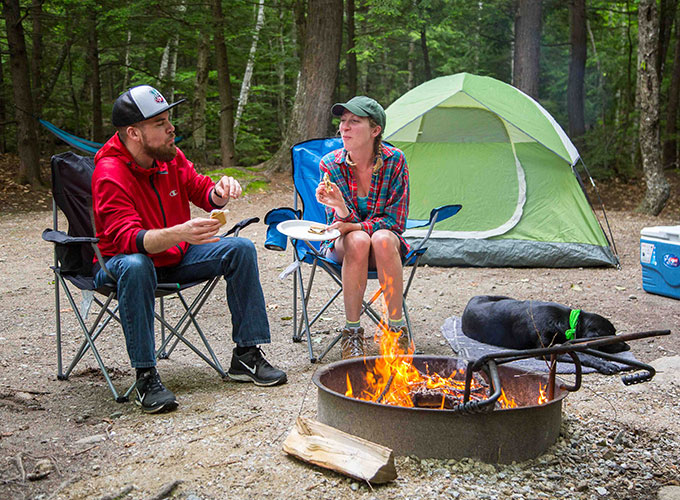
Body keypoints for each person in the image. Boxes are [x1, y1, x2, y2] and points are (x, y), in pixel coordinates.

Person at [92, 85, 287, 414]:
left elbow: (202, 192)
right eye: (160, 123)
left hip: (174, 257)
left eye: (169, 119)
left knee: (239, 248)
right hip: (122, 265)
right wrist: (180, 232)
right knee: (138, 265)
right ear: (133, 133)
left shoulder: (168, 157)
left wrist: (221, 190)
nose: (172, 129)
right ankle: (145, 375)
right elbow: (129, 240)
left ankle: (246, 356)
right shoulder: (109, 174)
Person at [315, 96, 410, 359]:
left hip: (385, 247)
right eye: (343, 121)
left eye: (354, 121)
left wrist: (354, 223)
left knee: (380, 238)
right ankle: (353, 333)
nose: (343, 127)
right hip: (346, 248)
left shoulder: (395, 161)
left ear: (375, 130)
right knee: (357, 240)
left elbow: (395, 221)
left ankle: (396, 330)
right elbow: (338, 227)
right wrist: (341, 208)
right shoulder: (330, 164)